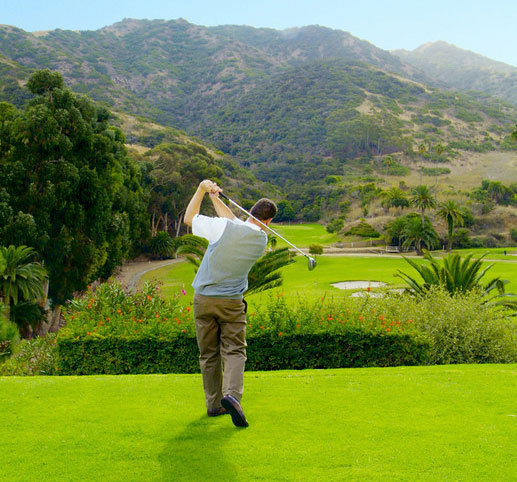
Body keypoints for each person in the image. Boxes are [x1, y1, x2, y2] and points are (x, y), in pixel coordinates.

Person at [184, 179, 277, 428]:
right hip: (232, 304)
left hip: (203, 300)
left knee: (208, 354)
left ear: (250, 212)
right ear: (268, 222)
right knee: (235, 350)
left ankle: (214, 405)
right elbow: (233, 223)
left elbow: (189, 218)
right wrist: (216, 197)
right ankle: (232, 396)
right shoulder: (261, 241)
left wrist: (201, 190)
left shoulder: (223, 228)